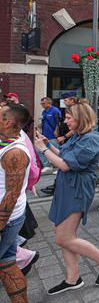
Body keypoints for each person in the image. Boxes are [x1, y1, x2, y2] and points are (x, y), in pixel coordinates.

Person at [33, 103, 99, 295]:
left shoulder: (91, 139)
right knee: (64, 237)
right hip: (66, 189)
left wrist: (43, 150)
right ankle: (73, 279)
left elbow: (65, 165)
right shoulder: (79, 136)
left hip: (76, 190)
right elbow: (64, 156)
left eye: (69, 117)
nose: (65, 120)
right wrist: (48, 146)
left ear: (81, 119)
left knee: (64, 237)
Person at [0, 103, 32, 302]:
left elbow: (11, 194)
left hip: (7, 218)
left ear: (8, 122)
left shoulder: (15, 153)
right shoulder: (5, 140)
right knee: (6, 264)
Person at [39, 96, 61, 174]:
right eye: (41, 104)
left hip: (52, 135)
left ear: (49, 103)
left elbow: (59, 122)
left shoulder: (55, 110)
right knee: (39, 149)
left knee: (56, 150)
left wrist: (56, 131)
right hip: (45, 134)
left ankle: (59, 167)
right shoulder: (44, 112)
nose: (42, 105)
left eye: (44, 103)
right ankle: (47, 166)